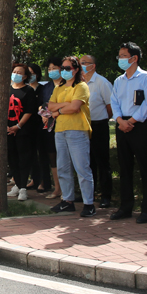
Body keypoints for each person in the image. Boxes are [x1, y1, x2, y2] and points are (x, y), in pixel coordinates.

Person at [109, 42, 147, 224]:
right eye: (120, 56)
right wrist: (120, 120)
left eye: (124, 56)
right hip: (122, 126)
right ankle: (125, 207)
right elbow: (114, 102)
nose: (120, 59)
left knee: (145, 168)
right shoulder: (119, 80)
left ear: (134, 58)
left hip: (139, 125)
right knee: (124, 168)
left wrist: (131, 121)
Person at [48, 56, 97, 217]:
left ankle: (89, 203)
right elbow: (50, 106)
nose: (64, 71)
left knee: (82, 168)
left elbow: (75, 107)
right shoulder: (59, 88)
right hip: (60, 131)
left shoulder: (81, 86)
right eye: (62, 68)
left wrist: (59, 111)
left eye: (68, 68)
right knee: (63, 167)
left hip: (77, 130)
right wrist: (63, 106)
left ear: (76, 70)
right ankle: (67, 200)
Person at [80, 54, 113, 208]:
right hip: (82, 126)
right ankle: (89, 194)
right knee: (87, 162)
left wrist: (103, 119)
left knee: (102, 161)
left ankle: (106, 196)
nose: (81, 66)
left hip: (99, 125)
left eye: (84, 63)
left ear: (92, 66)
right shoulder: (79, 83)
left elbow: (110, 106)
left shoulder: (102, 82)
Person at [6, 64, 37, 201]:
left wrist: (18, 126)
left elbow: (29, 111)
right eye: (14, 71)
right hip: (8, 130)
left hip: (23, 131)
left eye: (19, 72)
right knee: (12, 159)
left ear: (25, 76)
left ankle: (23, 187)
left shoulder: (28, 91)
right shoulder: (7, 89)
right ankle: (17, 184)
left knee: (23, 159)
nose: (16, 74)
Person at [41, 57, 63, 200]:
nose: (51, 71)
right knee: (52, 156)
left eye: (54, 68)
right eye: (49, 69)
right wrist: (44, 114)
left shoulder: (67, 85)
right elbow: (42, 104)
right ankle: (57, 188)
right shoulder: (46, 87)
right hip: (49, 127)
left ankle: (67, 190)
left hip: (64, 125)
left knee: (65, 157)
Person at [26, 63, 49, 192]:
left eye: (32, 73)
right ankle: (34, 179)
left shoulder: (42, 89)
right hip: (26, 125)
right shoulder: (24, 89)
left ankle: (44, 181)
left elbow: (44, 105)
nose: (30, 75)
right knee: (30, 154)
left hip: (40, 124)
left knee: (42, 154)